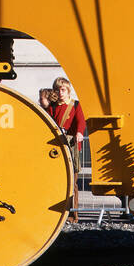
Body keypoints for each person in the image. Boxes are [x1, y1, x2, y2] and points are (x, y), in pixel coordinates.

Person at [50, 78, 85, 222]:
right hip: (57, 148)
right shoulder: (52, 106)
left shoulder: (75, 105)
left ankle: (73, 214)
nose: (60, 93)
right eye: (58, 90)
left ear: (68, 90)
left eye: (63, 90)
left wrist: (79, 132)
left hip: (71, 146)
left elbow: (81, 121)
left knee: (73, 182)